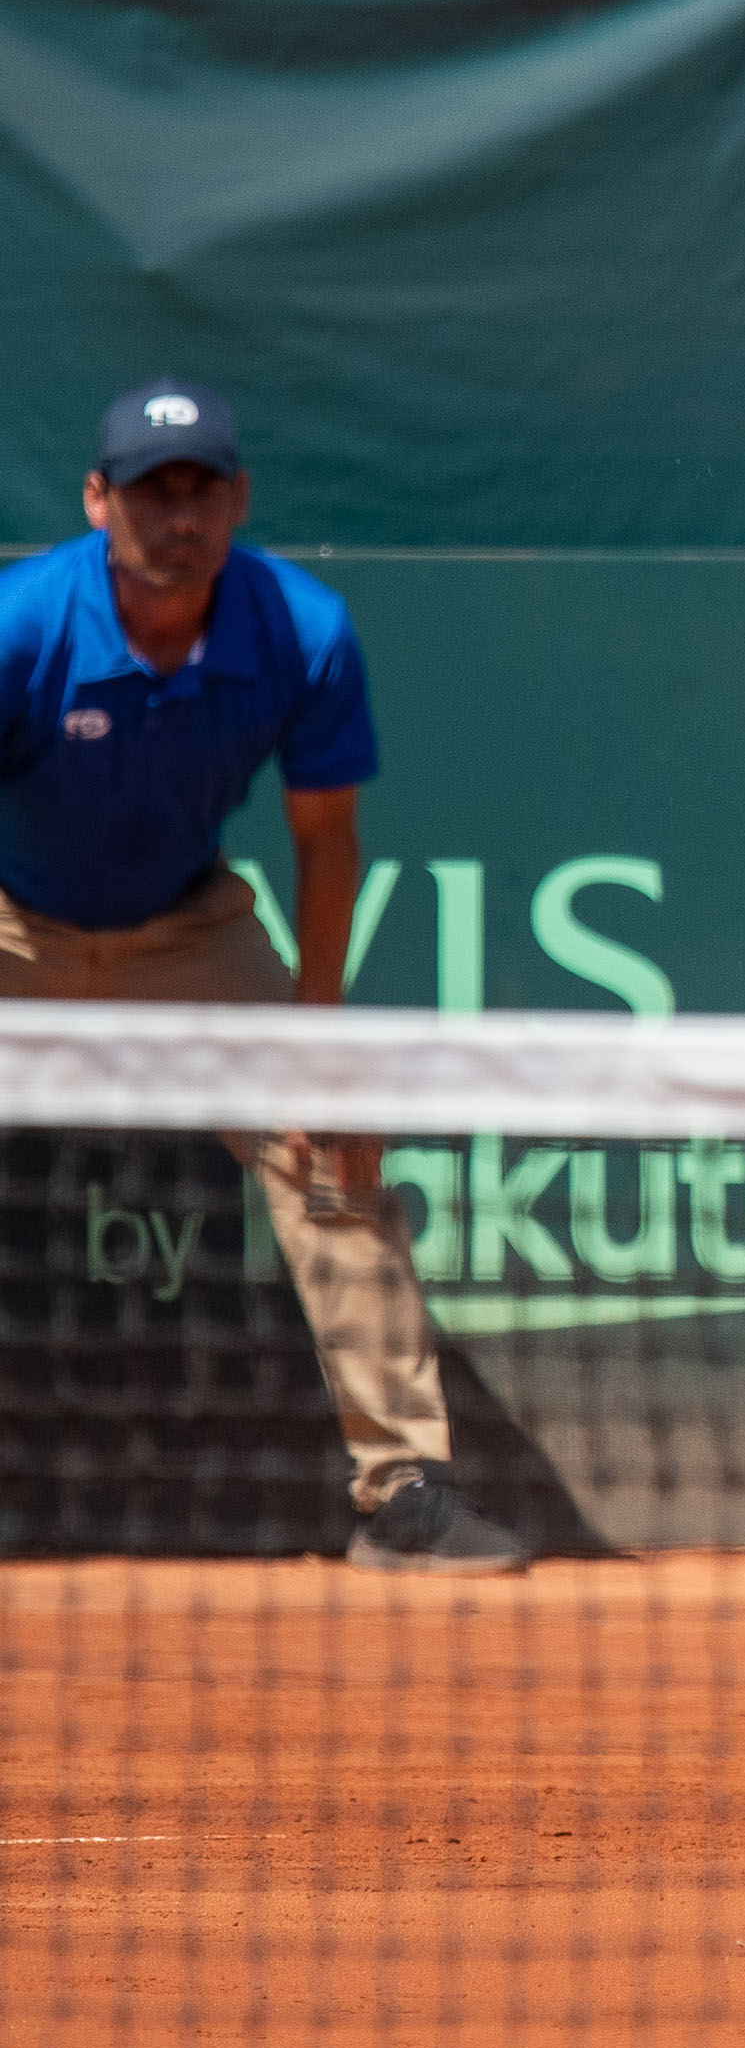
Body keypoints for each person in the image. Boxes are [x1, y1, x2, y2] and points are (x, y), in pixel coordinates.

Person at [0, 379, 527, 1576]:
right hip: (10, 923)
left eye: (200, 491)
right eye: (149, 492)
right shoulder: (21, 625)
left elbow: (325, 841)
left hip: (187, 932)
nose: (175, 517)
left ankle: (401, 1492)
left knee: (330, 1140)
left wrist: (314, 1038)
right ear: (97, 501)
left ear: (237, 498)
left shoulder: (301, 630)